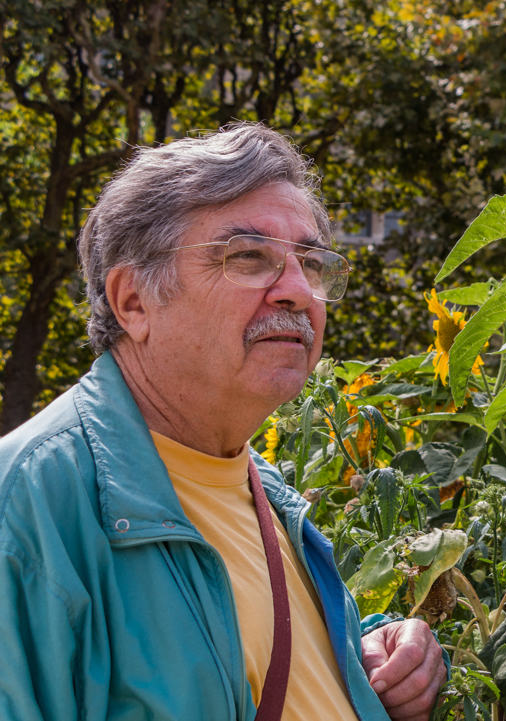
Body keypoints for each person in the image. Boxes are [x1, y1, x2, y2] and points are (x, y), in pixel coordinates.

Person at [0, 123, 447, 720]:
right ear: (133, 301)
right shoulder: (30, 504)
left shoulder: (268, 491)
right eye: (248, 257)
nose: (296, 290)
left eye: (310, 263)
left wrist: (372, 656)